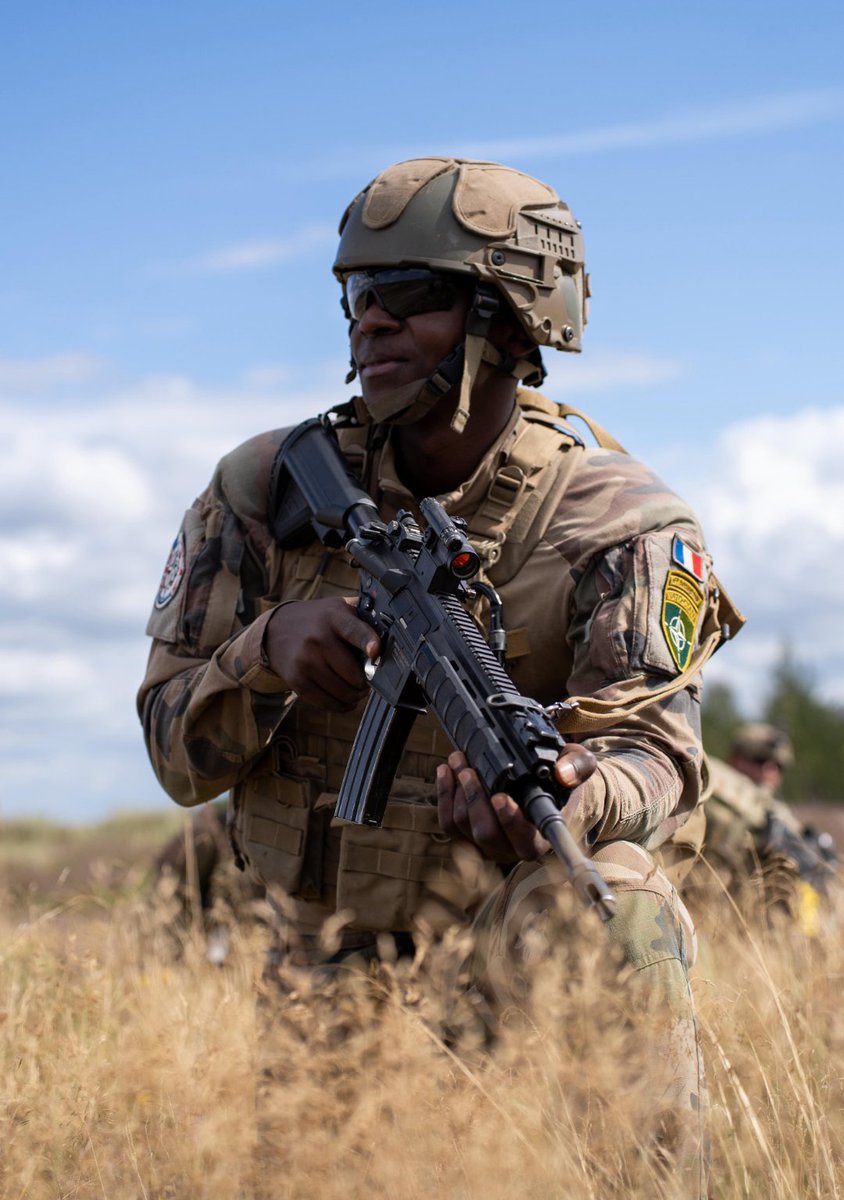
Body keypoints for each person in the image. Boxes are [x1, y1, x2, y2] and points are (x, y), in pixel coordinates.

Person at [138, 157, 743, 1194]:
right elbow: (173, 753)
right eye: (356, 296)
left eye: (407, 297)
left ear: (512, 321)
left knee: (626, 903)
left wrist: (575, 789)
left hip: (506, 939)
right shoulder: (265, 490)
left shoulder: (617, 521)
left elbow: (660, 759)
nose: (368, 324)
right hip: (320, 959)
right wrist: (266, 651)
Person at [688, 723, 837, 929]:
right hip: (699, 912)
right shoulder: (711, 782)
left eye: (778, 766)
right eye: (759, 760)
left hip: (744, 925)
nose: (769, 771)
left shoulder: (779, 813)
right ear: (735, 758)